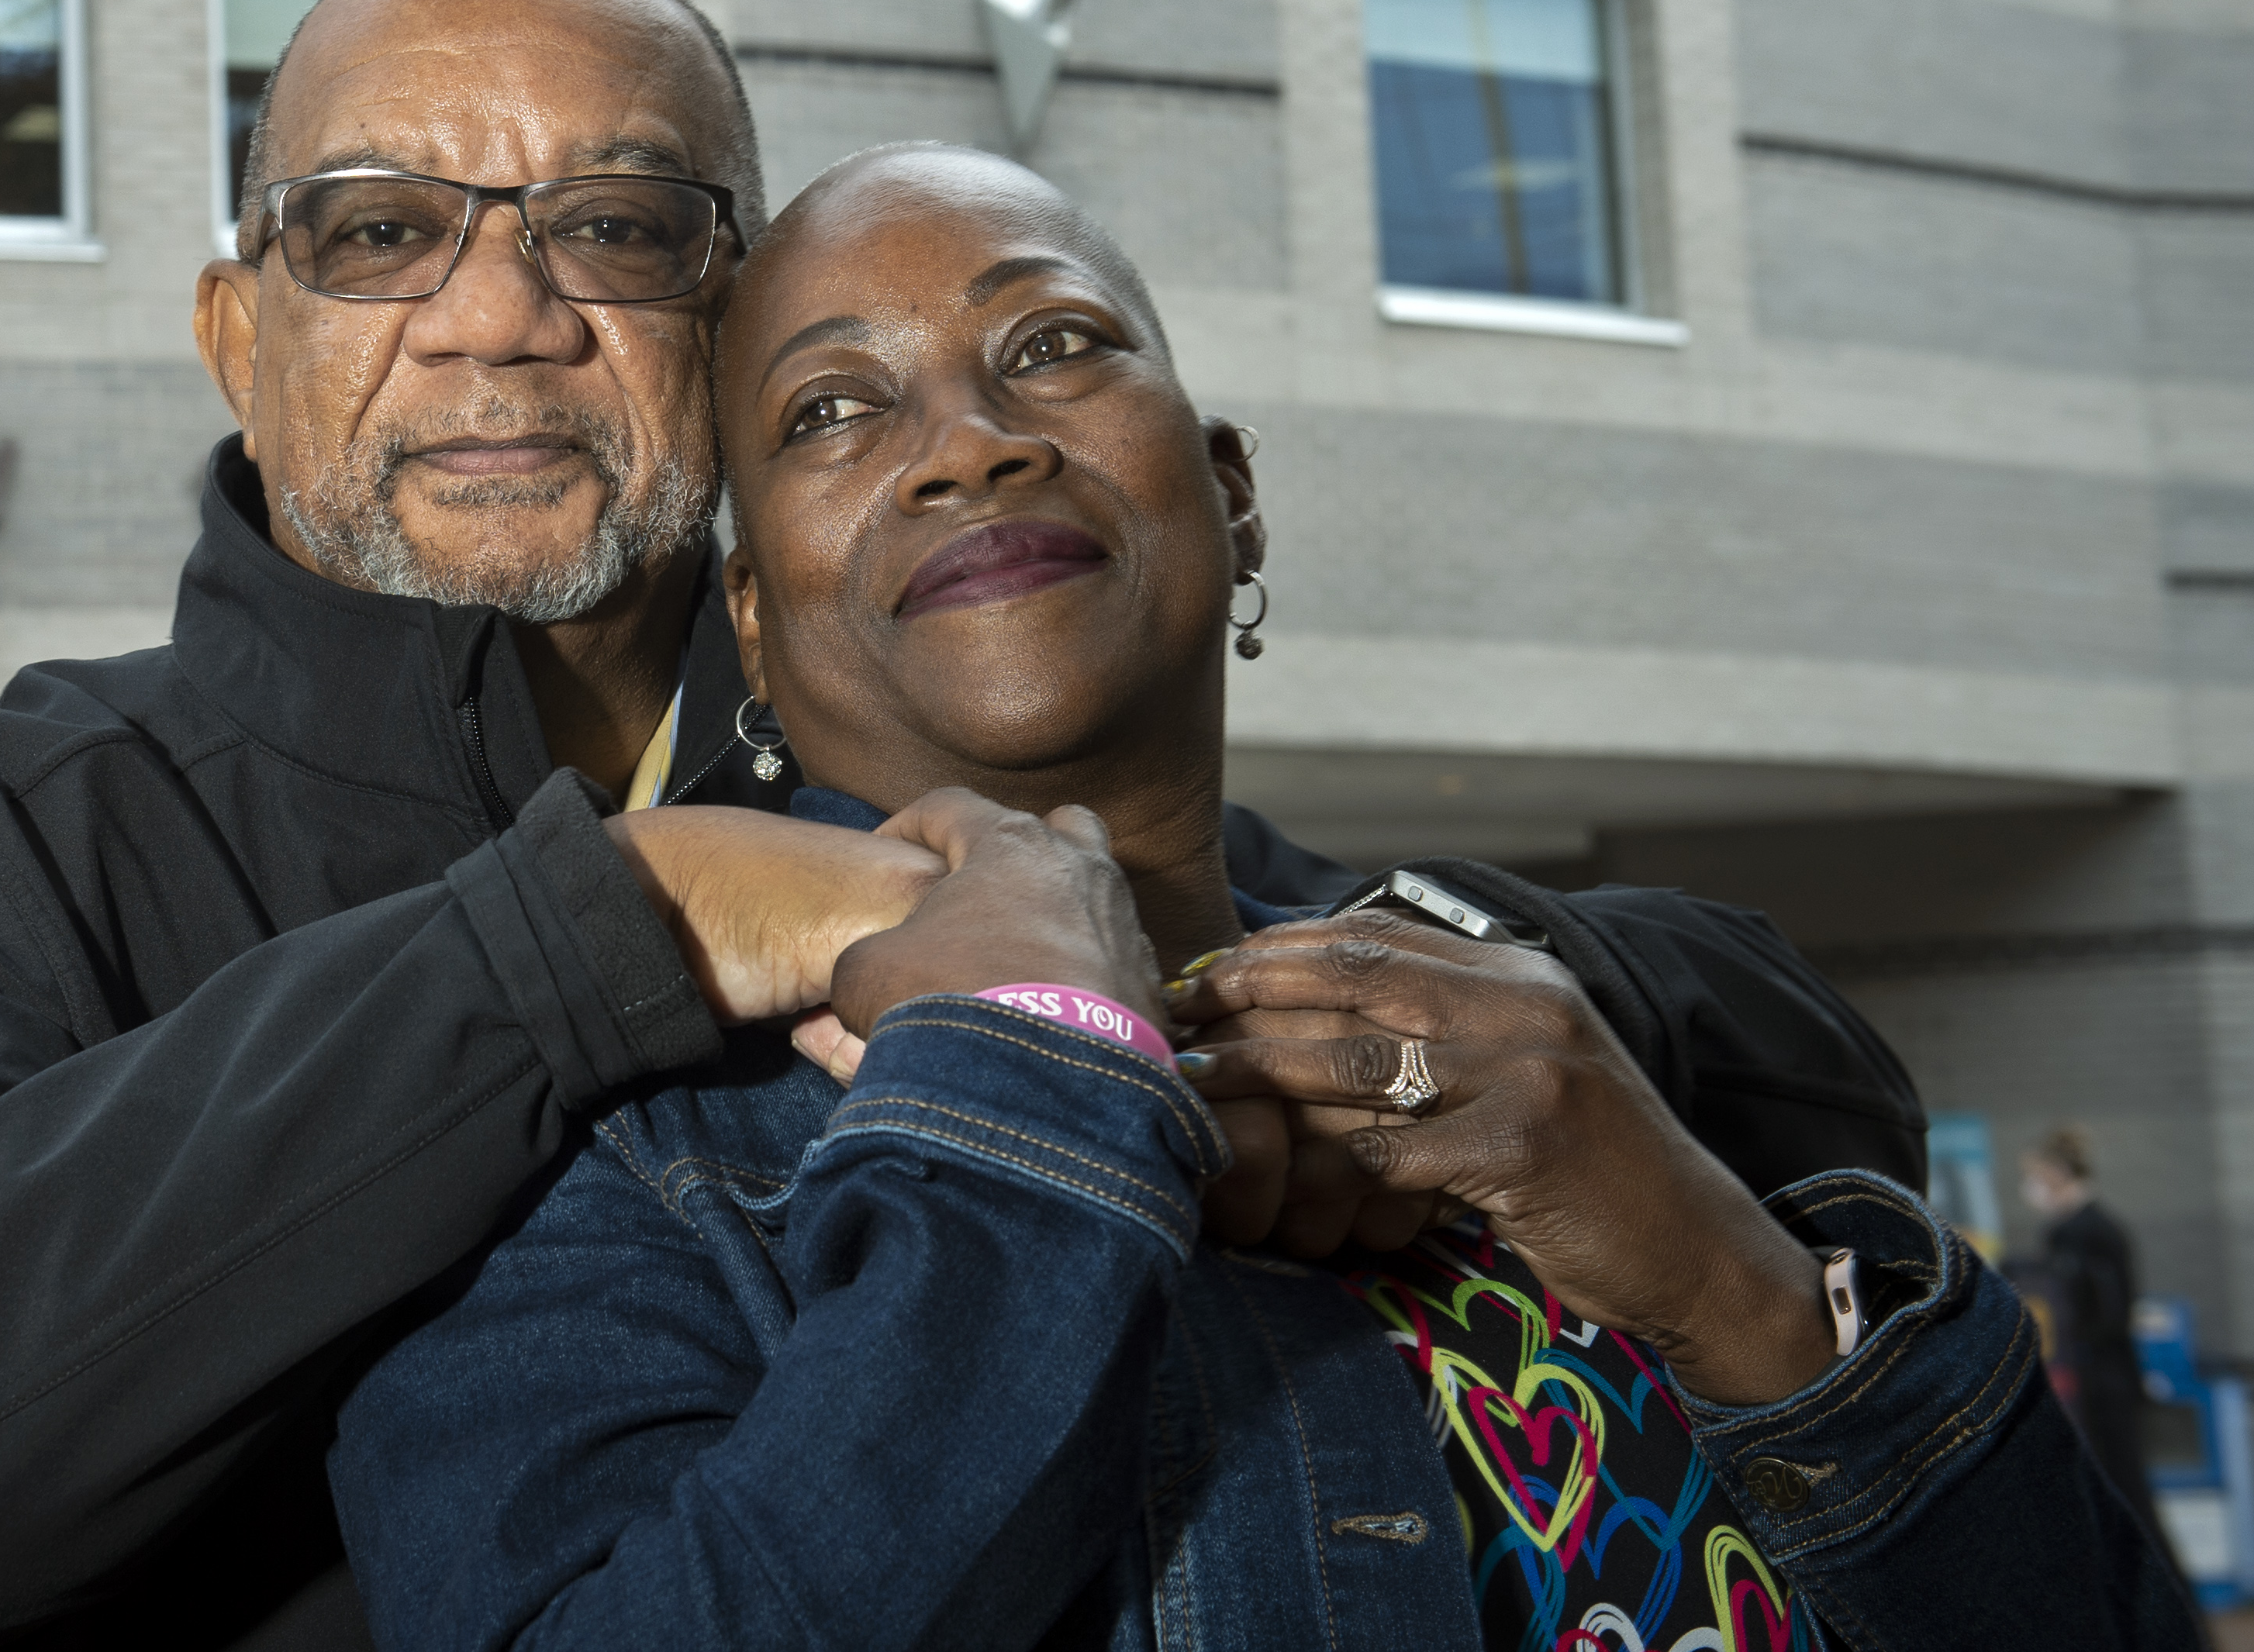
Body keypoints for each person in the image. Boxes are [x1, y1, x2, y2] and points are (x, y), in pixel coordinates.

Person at [0, 0, 1921, 1650]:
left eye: (614, 226)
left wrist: (1322, 1042)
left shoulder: (965, 791)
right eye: (376, 227)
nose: (497, 314)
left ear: (727, 335)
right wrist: (627, 916)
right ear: (245, 334)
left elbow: (1786, 1065)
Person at [332, 143, 2190, 1650]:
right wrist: (1041, 1082)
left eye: (1053, 345)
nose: (968, 443)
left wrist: (1725, 1278)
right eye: (831, 409)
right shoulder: (612, 1165)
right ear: (750, 617)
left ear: (1228, 493)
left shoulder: (1565, 1033)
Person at [2030, 1126, 2163, 1529]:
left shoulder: (2080, 1232)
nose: (2031, 1189)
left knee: (2123, 1496)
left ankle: (2153, 1571)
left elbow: (2100, 1314)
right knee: (2123, 1495)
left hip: (2099, 1383)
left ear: (2057, 1173)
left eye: (2035, 1176)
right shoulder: (2097, 1227)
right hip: (2107, 1377)